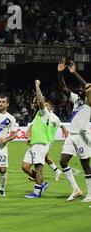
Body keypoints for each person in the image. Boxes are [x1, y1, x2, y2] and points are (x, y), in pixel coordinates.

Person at [57, 59, 91, 202]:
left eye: (83, 88)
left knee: (85, 165)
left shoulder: (90, 100)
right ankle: (76, 189)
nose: (81, 89)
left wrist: (74, 73)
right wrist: (60, 73)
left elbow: (88, 86)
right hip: (72, 135)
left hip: (83, 136)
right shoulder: (77, 99)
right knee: (63, 161)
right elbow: (63, 88)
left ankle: (90, 194)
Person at [22, 80, 51, 198]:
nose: (35, 101)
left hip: (40, 144)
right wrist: (31, 138)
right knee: (25, 166)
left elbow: (40, 100)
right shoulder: (37, 115)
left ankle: (37, 192)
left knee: (38, 168)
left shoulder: (44, 113)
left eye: (37, 100)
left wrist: (37, 86)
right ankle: (42, 183)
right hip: (34, 143)